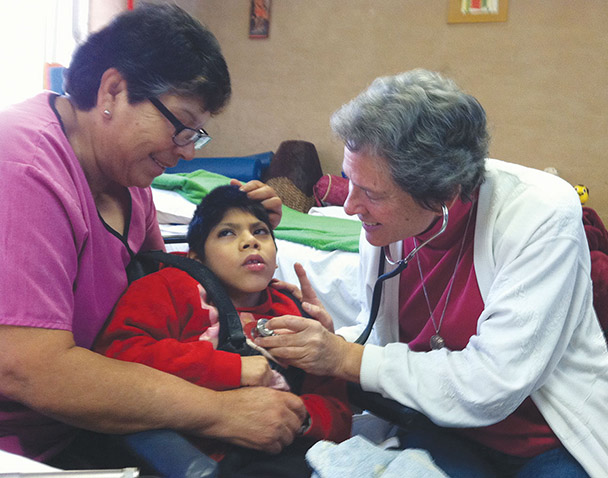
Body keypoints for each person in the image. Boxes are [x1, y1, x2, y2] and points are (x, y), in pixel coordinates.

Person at [256, 69, 608, 477]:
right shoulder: (385, 229)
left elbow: (492, 384)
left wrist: (344, 357)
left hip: (542, 438)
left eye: (371, 193)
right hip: (440, 426)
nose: (351, 207)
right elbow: (392, 345)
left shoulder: (538, 214)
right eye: (350, 182)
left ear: (442, 192)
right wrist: (326, 339)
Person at [0, 4, 304, 468]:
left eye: (195, 135)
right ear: (113, 90)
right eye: (180, 125)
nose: (184, 152)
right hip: (28, 448)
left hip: (108, 422)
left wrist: (264, 296)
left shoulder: (127, 179)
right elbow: (31, 370)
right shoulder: (23, 170)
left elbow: (173, 298)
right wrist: (219, 412)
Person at [94, 185, 351, 477]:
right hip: (197, 456)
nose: (250, 241)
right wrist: (232, 369)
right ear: (196, 259)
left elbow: (338, 411)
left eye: (261, 232)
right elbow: (117, 356)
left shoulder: (292, 311)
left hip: (290, 452)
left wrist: (299, 417)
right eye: (227, 233)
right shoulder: (170, 287)